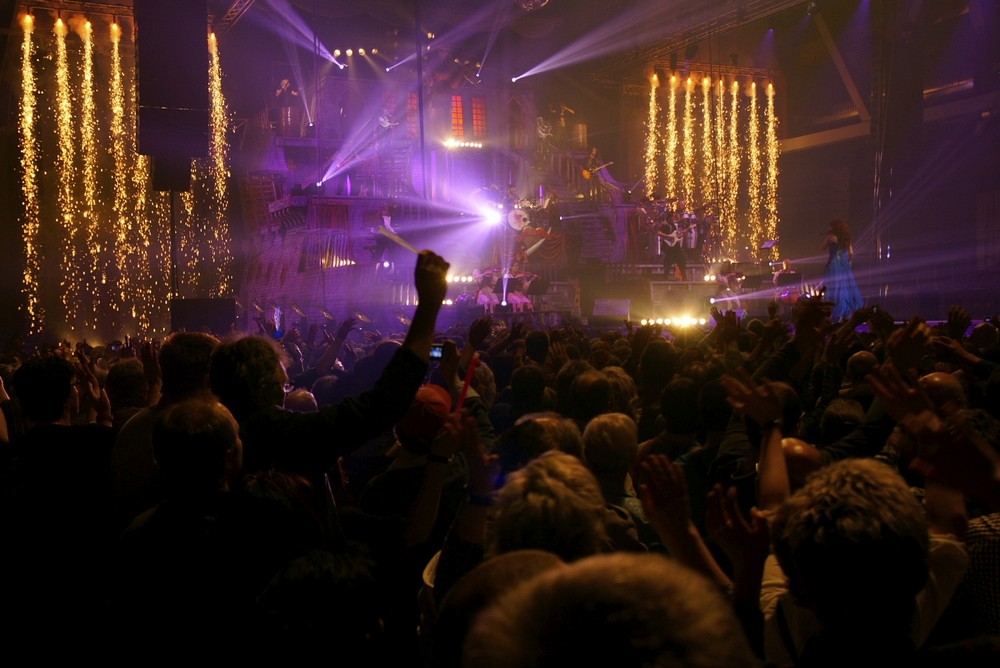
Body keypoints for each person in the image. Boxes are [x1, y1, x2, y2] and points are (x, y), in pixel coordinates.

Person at [823, 219, 863, 321]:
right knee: (845, 287)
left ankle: (835, 312)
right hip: (844, 263)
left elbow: (823, 247)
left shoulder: (831, 237)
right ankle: (845, 312)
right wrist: (847, 262)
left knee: (834, 287)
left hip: (834, 263)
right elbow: (851, 254)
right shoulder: (846, 239)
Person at [657, 213, 689, 281]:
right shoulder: (664, 225)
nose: (673, 219)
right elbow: (659, 233)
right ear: (668, 218)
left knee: (681, 259)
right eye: (672, 218)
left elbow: (676, 236)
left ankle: (684, 277)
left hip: (674, 245)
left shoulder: (674, 226)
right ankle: (665, 277)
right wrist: (667, 236)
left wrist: (683, 234)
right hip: (667, 246)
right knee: (668, 261)